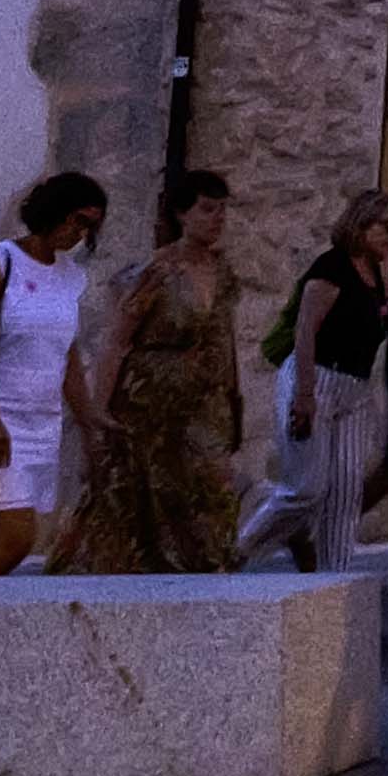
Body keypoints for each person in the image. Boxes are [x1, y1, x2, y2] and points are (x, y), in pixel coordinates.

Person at [57, 171, 253, 572]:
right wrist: (98, 413)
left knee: (213, 486)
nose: (217, 219)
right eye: (207, 209)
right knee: (149, 498)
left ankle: (210, 569)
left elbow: (225, 337)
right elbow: (117, 342)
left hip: (205, 400)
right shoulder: (155, 272)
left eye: (222, 210)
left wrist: (234, 398)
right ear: (182, 214)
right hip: (149, 403)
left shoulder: (223, 272)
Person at [242, 190, 388, 576]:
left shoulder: (375, 273)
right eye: (386, 227)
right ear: (361, 226)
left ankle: (335, 577)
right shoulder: (332, 267)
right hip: (317, 379)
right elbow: (306, 331)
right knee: (306, 488)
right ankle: (239, 549)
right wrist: (304, 395)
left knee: (346, 491)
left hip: (353, 389)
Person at [0, 172, 105, 577]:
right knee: (16, 539)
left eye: (89, 226)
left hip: (42, 420)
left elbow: (67, 353)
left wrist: (89, 420)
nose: (79, 233)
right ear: (54, 211)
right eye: (77, 220)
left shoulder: (71, 276)